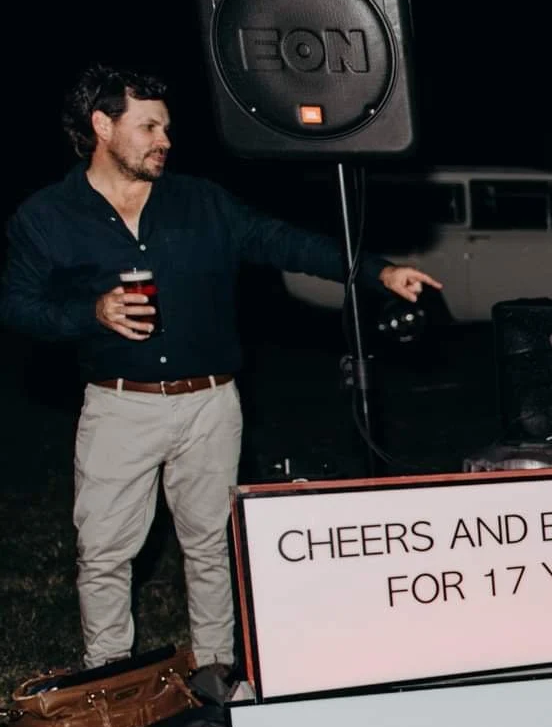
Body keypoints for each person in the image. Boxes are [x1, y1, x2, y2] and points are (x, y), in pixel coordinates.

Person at [0, 64, 441, 682]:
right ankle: (109, 680)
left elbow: (284, 241)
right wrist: (90, 311)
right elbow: (18, 305)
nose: (164, 140)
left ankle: (216, 677)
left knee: (211, 547)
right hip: (119, 406)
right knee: (104, 554)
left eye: (167, 127)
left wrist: (376, 270)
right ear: (102, 126)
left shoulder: (200, 202)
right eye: (148, 126)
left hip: (210, 404)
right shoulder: (46, 217)